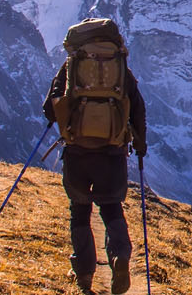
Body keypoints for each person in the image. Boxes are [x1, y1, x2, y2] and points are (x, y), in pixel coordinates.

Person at [44, 18, 148, 294]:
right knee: (111, 206)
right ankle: (120, 256)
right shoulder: (121, 69)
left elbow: (49, 107)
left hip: (78, 151)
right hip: (112, 151)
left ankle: (85, 274)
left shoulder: (72, 66)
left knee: (80, 211)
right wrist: (140, 145)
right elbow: (137, 108)